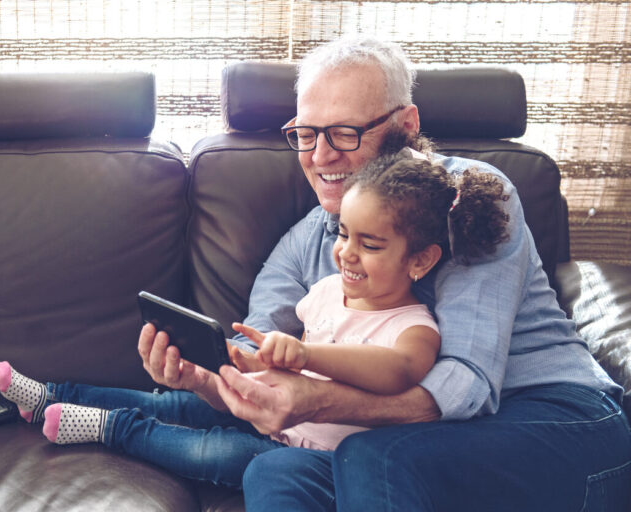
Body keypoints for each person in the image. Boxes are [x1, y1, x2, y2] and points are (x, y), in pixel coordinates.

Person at [139, 35, 631, 511]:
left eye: (345, 133)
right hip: (422, 448)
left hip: (558, 421)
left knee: (376, 455)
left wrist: (320, 401)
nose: (320, 155)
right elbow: (255, 346)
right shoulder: (307, 239)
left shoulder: (473, 199)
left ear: (406, 123)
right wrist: (206, 374)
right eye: (307, 134)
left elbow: (468, 383)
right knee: (276, 470)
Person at [0, 153, 512, 488]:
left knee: (211, 453)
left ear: (420, 260)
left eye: (369, 244)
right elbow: (292, 377)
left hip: (311, 458)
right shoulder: (326, 292)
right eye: (342, 234)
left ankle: (109, 428)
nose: (346, 254)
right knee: (177, 398)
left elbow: (395, 371)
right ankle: (50, 393)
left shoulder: (415, 327)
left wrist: (304, 354)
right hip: (274, 420)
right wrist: (242, 365)